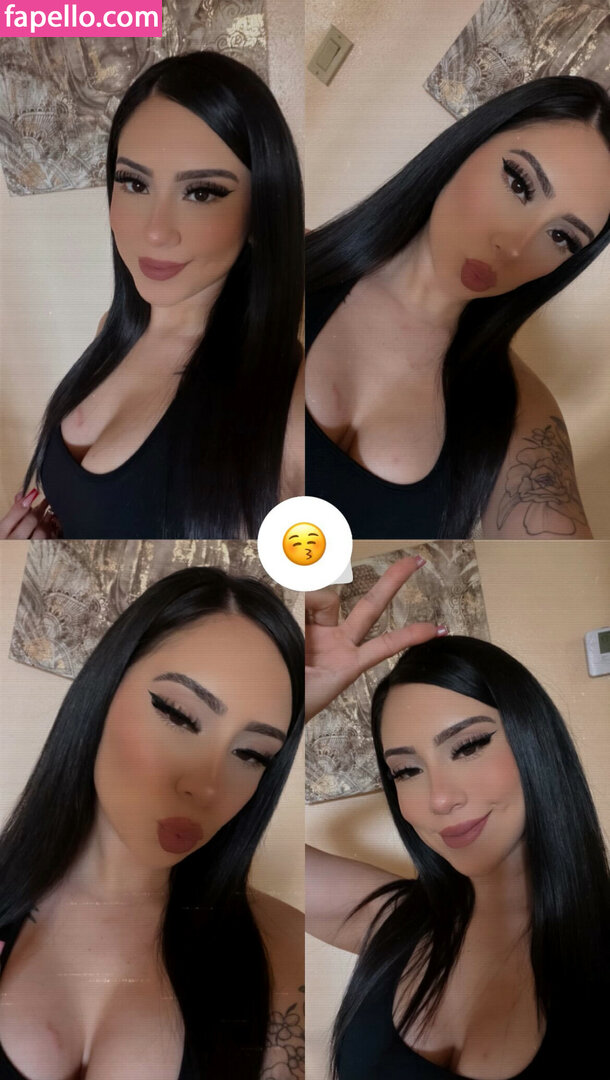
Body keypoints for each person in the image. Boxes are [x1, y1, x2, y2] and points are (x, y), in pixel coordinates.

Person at [0, 567, 304, 1079]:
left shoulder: (284, 945)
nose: (206, 787)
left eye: (251, 754)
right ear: (104, 690)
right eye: (178, 715)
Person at [305, 566, 609, 1077]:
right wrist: (292, 704)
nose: (439, 799)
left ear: (535, 740)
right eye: (406, 771)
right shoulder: (392, 920)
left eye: (468, 746)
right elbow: (231, 843)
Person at [1, 50, 304, 540]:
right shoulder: (112, 328)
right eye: (134, 183)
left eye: (201, 192)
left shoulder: (290, 401)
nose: (155, 231)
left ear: (261, 212)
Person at [306, 76, 610, 539]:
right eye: (519, 183)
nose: (514, 246)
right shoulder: (275, 262)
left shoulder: (518, 409)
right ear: (469, 145)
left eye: (561, 237)